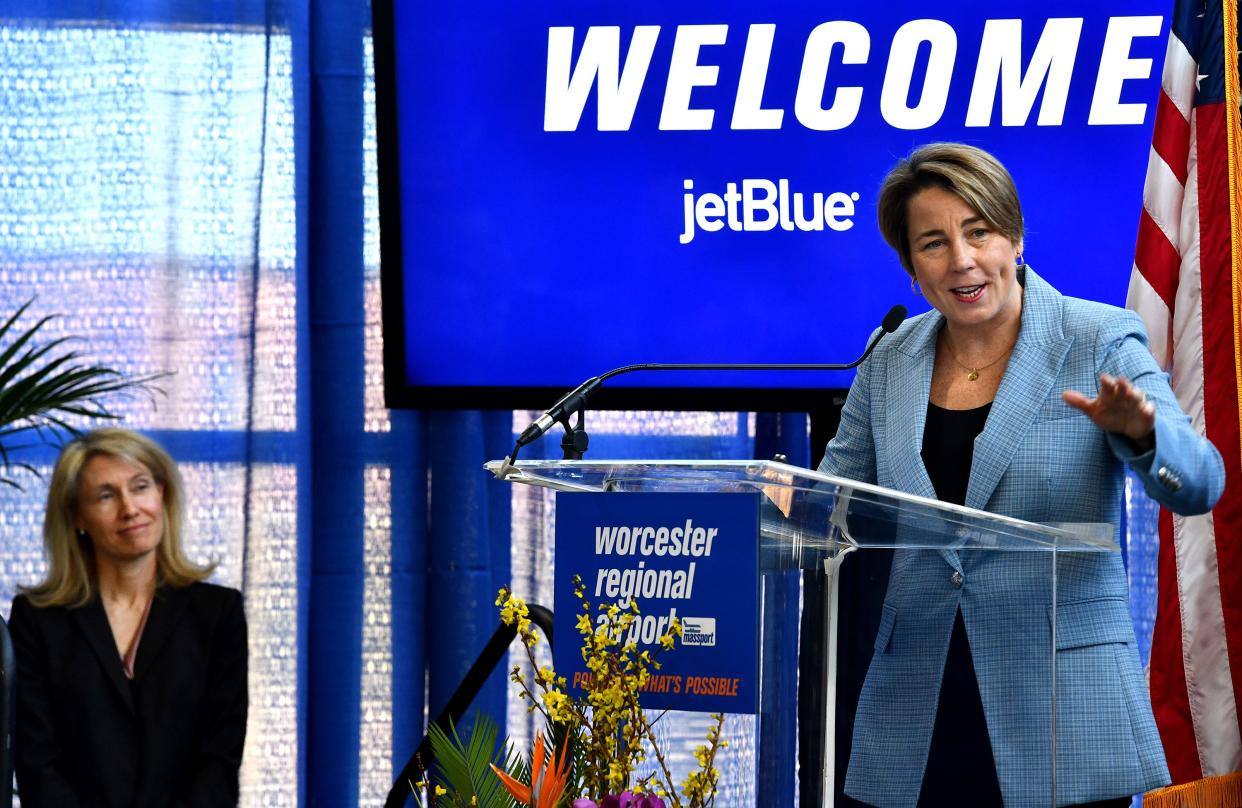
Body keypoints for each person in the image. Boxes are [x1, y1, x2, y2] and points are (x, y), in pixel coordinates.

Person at [818, 143, 1225, 807]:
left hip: (1063, 713)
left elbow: (1202, 481)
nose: (962, 260)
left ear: (1014, 237)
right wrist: (769, 508)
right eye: (933, 243)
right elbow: (831, 501)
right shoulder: (889, 359)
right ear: (912, 269)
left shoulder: (1096, 337)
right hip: (916, 714)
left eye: (978, 231)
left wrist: (1143, 432)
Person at [8, 428, 248, 807]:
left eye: (140, 487)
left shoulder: (218, 613)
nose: (130, 508)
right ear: (77, 517)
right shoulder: (37, 620)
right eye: (106, 496)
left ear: (162, 494)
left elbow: (218, 760)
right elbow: (38, 762)